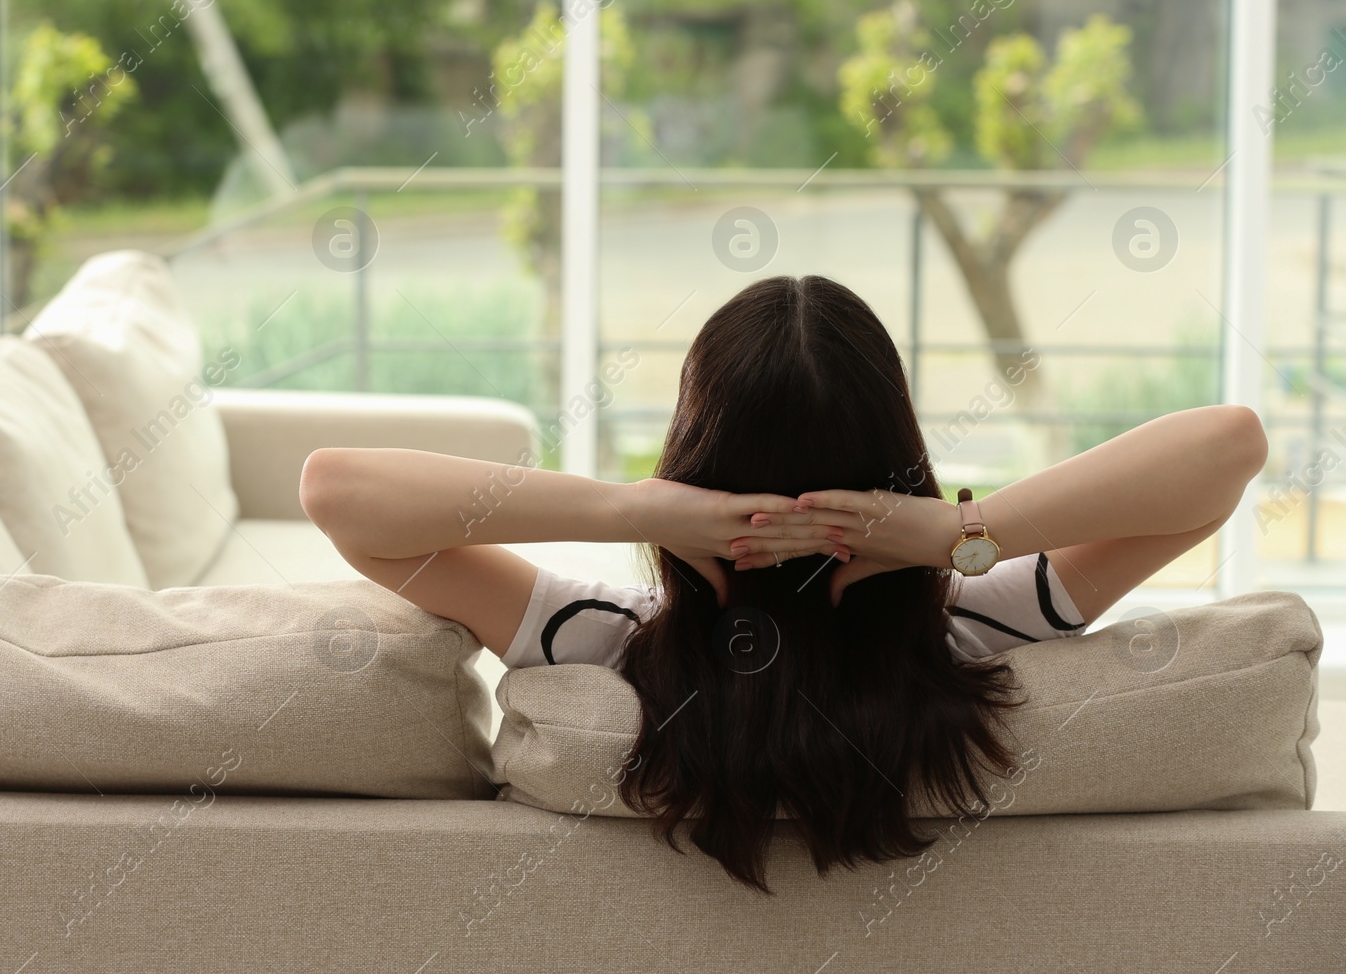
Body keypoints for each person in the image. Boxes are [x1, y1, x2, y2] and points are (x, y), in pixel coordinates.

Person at [298, 274, 1267, 893]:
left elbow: (335, 493)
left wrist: (632, 507)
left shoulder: (599, 642)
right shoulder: (986, 624)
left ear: (692, 456)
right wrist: (963, 530)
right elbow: (1227, 450)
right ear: (900, 451)